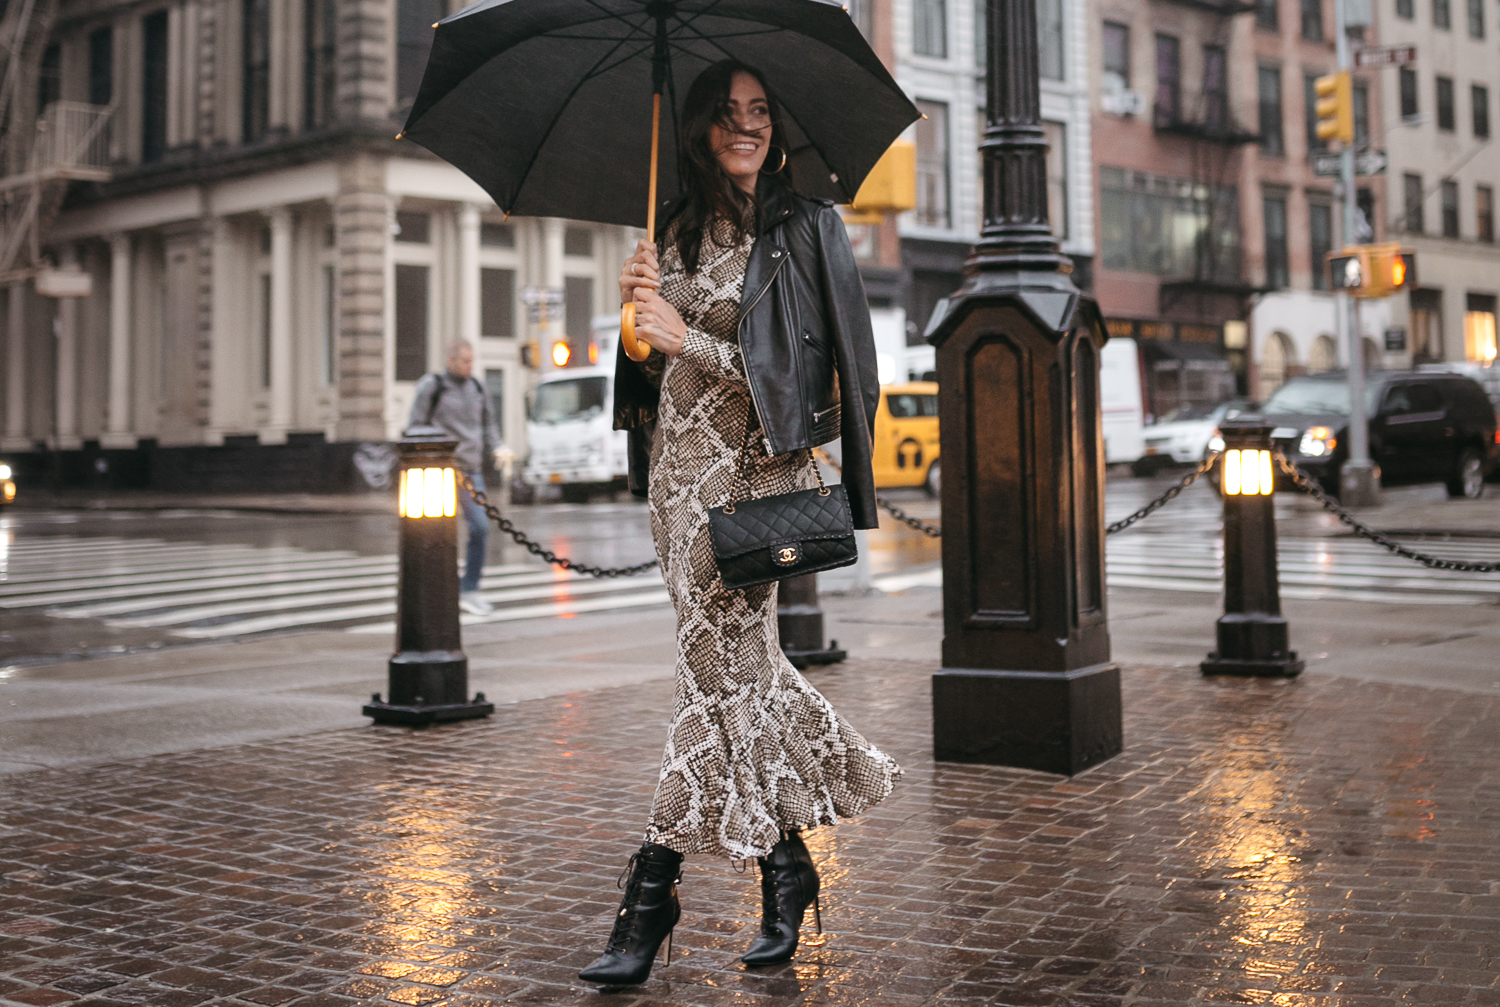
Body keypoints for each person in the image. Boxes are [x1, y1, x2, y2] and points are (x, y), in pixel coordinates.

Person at [579, 60, 900, 986]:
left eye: (761, 112)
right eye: (729, 116)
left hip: (754, 485)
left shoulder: (800, 229)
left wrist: (694, 341)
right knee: (735, 679)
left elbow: (815, 386)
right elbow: (650, 380)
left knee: (710, 679)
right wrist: (638, 331)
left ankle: (652, 892)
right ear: (699, 131)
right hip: (677, 487)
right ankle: (786, 867)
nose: (748, 127)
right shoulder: (670, 229)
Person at [407, 339, 511, 615]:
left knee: (479, 528)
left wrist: (498, 447)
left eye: (471, 361)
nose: (469, 366)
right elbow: (416, 425)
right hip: (439, 472)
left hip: (470, 471)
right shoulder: (433, 386)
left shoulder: (477, 387)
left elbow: (488, 424)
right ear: (450, 360)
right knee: (438, 532)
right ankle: (437, 588)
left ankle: (469, 588)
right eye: (464, 361)